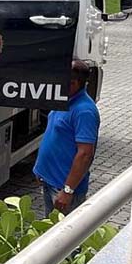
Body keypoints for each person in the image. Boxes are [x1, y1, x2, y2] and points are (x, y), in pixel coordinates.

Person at [34, 60, 100, 215]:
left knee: (63, 235)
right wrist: (41, 169)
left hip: (63, 189)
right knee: (49, 231)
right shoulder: (65, 101)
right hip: (51, 182)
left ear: (73, 83)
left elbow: (85, 154)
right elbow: (54, 135)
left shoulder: (85, 111)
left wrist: (68, 190)